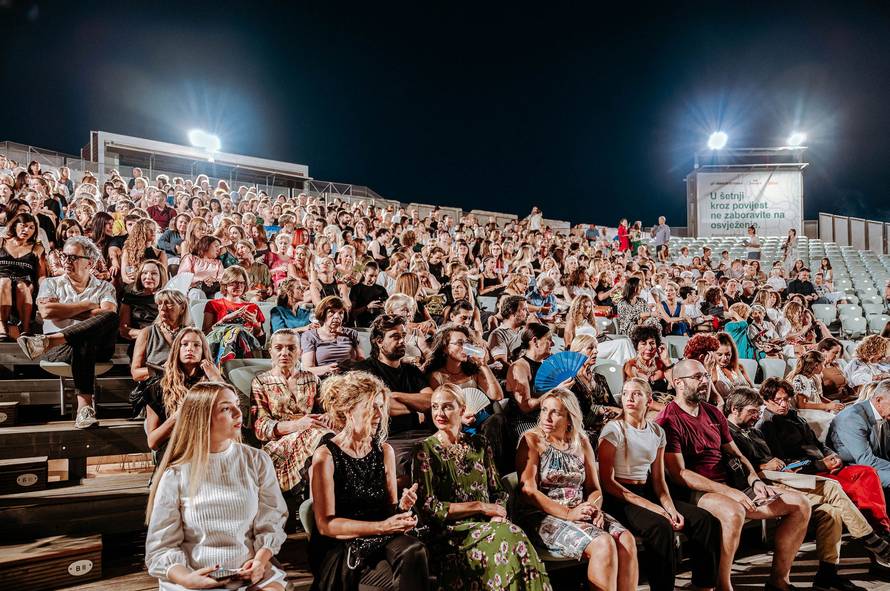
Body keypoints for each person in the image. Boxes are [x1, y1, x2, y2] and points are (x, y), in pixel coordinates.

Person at [656, 358, 811, 591]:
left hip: (731, 484)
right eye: (697, 377)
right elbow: (680, 474)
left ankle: (779, 580)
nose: (704, 381)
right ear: (678, 382)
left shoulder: (712, 412)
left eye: (705, 376)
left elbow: (736, 454)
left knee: (800, 504)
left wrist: (754, 480)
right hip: (696, 491)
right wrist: (729, 492)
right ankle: (723, 585)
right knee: (733, 512)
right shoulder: (668, 420)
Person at [725, 386, 890, 586]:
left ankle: (827, 575)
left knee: (831, 512)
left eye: (757, 412)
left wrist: (827, 457)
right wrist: (764, 467)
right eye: (752, 412)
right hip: (764, 484)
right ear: (734, 409)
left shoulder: (754, 431)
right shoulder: (733, 434)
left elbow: (808, 449)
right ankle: (876, 543)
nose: (756, 416)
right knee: (831, 487)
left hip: (784, 476)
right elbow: (737, 471)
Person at [145, 382, 289, 591]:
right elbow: (160, 548)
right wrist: (188, 579)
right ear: (202, 418)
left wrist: (260, 561)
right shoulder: (175, 475)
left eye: (237, 404)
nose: (238, 413)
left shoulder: (257, 460)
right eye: (226, 408)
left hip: (249, 573)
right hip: (193, 577)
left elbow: (271, 521)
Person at [413, 384, 551, 591]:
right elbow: (429, 507)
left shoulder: (480, 444)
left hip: (489, 525)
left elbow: (498, 491)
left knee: (511, 536)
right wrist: (480, 506)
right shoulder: (425, 450)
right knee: (511, 536)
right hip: (452, 533)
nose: (439, 413)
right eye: (434, 407)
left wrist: (497, 514)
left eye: (447, 407)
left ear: (462, 410)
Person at [308, 371, 430, 591]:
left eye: (381, 407)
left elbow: (389, 511)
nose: (379, 414)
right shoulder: (326, 456)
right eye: (372, 407)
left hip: (382, 538)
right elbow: (326, 526)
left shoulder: (384, 451)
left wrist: (402, 508)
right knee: (406, 578)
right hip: (343, 547)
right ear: (348, 410)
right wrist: (382, 527)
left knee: (414, 551)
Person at [599, 378, 721, 591]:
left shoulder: (657, 432)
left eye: (636, 393)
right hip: (619, 496)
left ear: (648, 400)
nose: (629, 398)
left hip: (646, 490)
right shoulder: (613, 430)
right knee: (660, 526)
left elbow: (658, 480)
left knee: (705, 520)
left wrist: (671, 509)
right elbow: (608, 483)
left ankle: (705, 586)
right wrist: (658, 510)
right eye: (625, 393)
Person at [517, 388, 638, 591]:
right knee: (603, 543)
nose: (546, 417)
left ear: (569, 418)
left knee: (626, 540)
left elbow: (594, 488)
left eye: (555, 412)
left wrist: (593, 508)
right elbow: (528, 491)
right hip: (543, 515)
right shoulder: (531, 440)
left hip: (580, 510)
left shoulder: (581, 441)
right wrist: (568, 513)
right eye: (544, 410)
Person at [756, 378, 890, 534]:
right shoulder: (767, 426)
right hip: (807, 473)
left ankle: (882, 525)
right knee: (856, 487)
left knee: (868, 473)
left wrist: (833, 456)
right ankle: (879, 529)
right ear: (766, 400)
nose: (783, 404)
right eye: (778, 400)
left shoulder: (795, 417)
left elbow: (819, 444)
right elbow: (784, 464)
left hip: (824, 465)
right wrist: (819, 464)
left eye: (786, 399)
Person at [17, 236, 118, 429]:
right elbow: (47, 312)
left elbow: (107, 314)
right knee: (84, 340)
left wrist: (63, 309)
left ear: (90, 263)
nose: (66, 261)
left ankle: (48, 340)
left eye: (73, 257)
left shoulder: (105, 287)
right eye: (64, 256)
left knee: (111, 318)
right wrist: (87, 305)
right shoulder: (50, 283)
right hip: (61, 351)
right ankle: (84, 410)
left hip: (99, 349)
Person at [349, 314, 434, 481]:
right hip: (388, 438)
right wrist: (416, 406)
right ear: (379, 341)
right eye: (395, 336)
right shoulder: (364, 370)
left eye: (403, 335)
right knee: (414, 465)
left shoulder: (411, 371)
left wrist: (395, 395)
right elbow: (384, 408)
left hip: (420, 433)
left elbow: (432, 401)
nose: (402, 341)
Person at [252, 329, 331, 494]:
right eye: (279, 348)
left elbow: (325, 411)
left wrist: (327, 417)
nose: (284, 353)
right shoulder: (261, 382)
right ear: (270, 351)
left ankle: (318, 502)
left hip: (314, 438)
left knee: (323, 442)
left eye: (291, 348)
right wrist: (297, 425)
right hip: (279, 445)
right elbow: (260, 427)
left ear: (300, 352)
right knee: (320, 437)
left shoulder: (312, 379)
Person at [143, 328, 222, 458]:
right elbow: (153, 443)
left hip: (208, 452)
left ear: (203, 351)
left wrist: (216, 378)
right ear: (176, 350)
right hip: (175, 453)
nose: (190, 348)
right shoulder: (158, 387)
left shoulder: (213, 383)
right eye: (184, 344)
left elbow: (232, 417)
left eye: (196, 345)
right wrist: (178, 416)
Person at [827, 380, 890, 495]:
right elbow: (866, 460)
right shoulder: (853, 418)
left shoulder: (883, 413)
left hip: (873, 463)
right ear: (879, 400)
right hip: (851, 467)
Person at [201, 265, 266, 364]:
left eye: (242, 283)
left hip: (249, 348)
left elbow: (261, 342)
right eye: (234, 283)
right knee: (235, 331)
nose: (239, 286)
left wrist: (255, 324)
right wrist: (224, 320)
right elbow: (205, 335)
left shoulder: (253, 307)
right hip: (218, 348)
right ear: (225, 285)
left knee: (239, 332)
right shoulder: (213, 304)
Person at [0, 212, 46, 339]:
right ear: (15, 225)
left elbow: (42, 275)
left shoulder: (37, 248)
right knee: (4, 282)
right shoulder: (1, 242)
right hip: (2, 279)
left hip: (25, 280)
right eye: (24, 226)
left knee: (22, 286)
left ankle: (26, 329)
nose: (27, 230)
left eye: (31, 227)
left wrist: (45, 291)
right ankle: (2, 325)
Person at [131, 289, 190, 382]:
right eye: (159, 304)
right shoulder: (146, 333)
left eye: (169, 303)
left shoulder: (191, 334)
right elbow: (136, 373)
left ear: (182, 308)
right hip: (156, 386)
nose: (162, 308)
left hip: (185, 385)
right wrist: (163, 370)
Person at [787, 351, 844, 441]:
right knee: (834, 421)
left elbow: (818, 396)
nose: (824, 367)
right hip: (805, 413)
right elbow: (802, 405)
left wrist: (832, 404)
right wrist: (827, 406)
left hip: (814, 410)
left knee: (840, 417)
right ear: (816, 365)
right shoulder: (800, 378)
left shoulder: (812, 378)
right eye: (823, 364)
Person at [301, 295, 362, 377]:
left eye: (341, 313)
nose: (337, 316)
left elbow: (361, 361)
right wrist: (327, 369)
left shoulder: (352, 333)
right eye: (331, 312)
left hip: (349, 377)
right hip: (324, 378)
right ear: (323, 314)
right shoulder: (310, 336)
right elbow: (307, 369)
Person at [623, 324, 672, 410]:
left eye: (652, 343)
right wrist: (666, 409)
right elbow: (639, 397)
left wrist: (667, 361)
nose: (649, 347)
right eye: (643, 344)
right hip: (645, 409)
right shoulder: (631, 365)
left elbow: (676, 386)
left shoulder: (661, 363)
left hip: (666, 404)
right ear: (636, 347)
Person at [119, 259, 168, 344]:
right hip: (137, 342)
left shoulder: (167, 298)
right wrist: (147, 335)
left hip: (162, 342)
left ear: (161, 276)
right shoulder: (129, 297)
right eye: (144, 273)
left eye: (154, 273)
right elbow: (123, 330)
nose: (148, 277)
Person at [488, 295, 528, 371]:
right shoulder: (498, 334)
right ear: (512, 312)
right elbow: (502, 364)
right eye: (524, 309)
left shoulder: (526, 331)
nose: (528, 313)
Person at [178, 235, 224, 299]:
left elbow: (222, 278)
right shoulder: (191, 258)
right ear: (206, 245)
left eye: (219, 247)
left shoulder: (218, 263)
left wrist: (215, 280)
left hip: (213, 290)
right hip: (194, 288)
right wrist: (201, 281)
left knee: (221, 295)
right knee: (197, 294)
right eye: (216, 246)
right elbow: (183, 277)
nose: (219, 249)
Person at [348, 261, 388, 328]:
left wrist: (384, 306)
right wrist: (367, 307)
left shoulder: (381, 289)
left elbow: (388, 309)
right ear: (364, 273)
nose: (373, 279)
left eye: (376, 276)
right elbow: (352, 313)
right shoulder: (356, 289)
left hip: (378, 325)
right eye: (371, 275)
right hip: (361, 325)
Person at [817, 337, 857, 403]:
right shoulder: (817, 369)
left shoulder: (836, 365)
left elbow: (847, 385)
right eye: (834, 352)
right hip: (833, 401)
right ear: (823, 351)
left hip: (847, 398)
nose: (836, 356)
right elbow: (819, 396)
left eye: (837, 353)